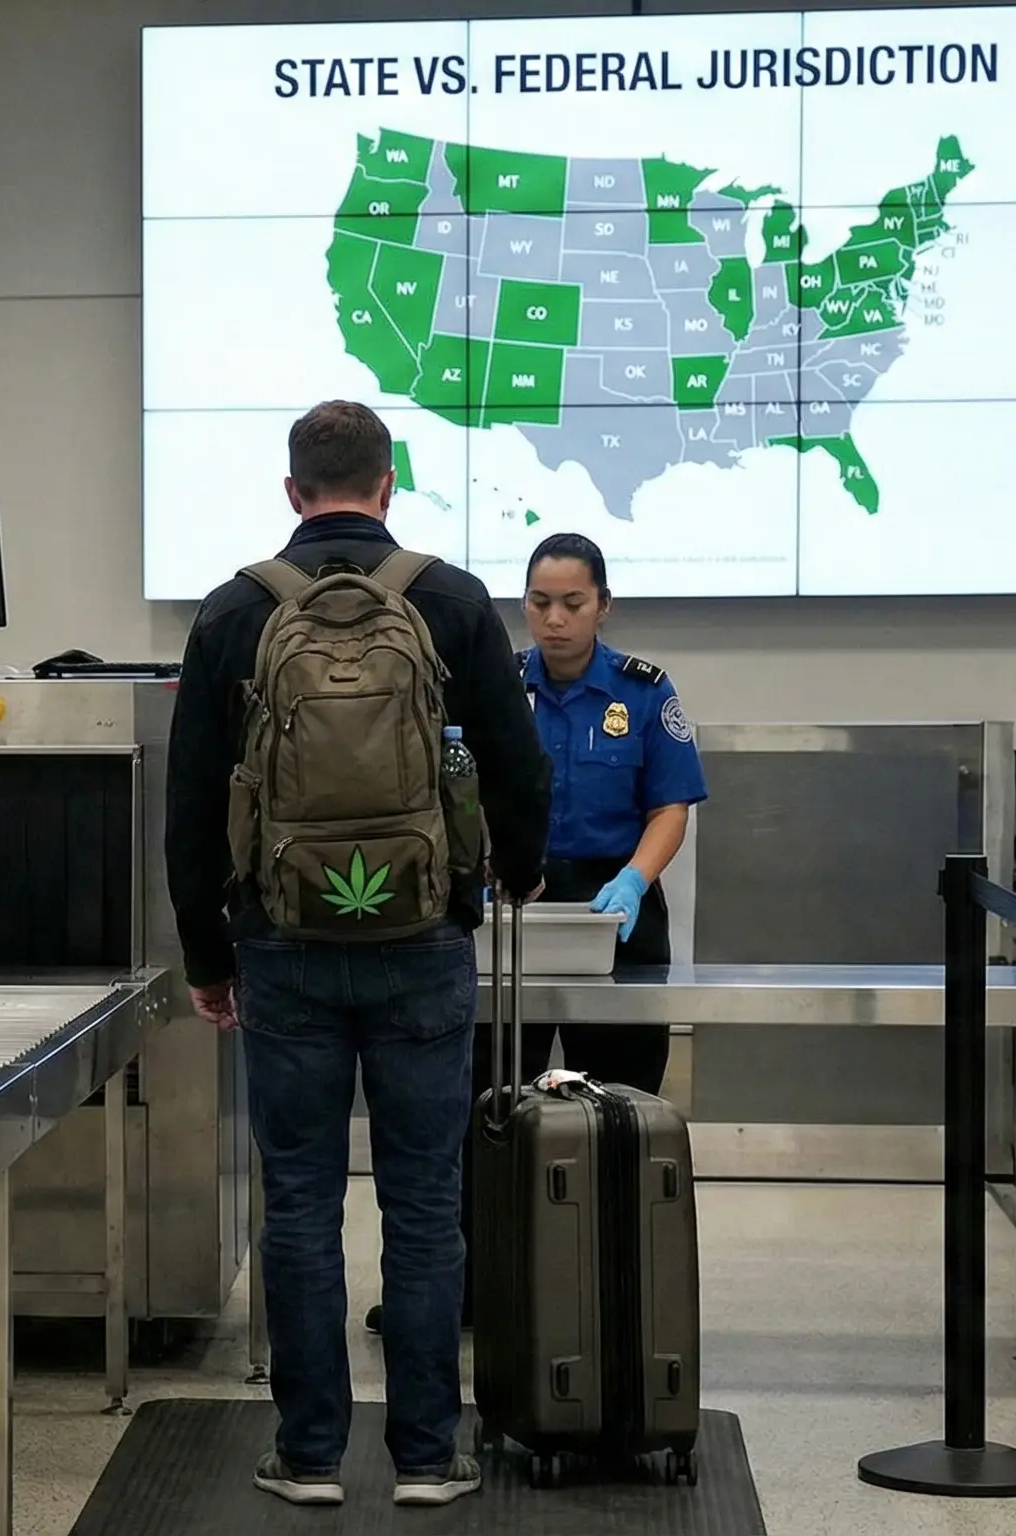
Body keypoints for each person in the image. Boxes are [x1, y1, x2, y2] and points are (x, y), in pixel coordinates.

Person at [166, 400, 551, 1510]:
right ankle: (430, 1455)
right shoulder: (449, 598)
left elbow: (191, 804)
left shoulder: (235, 609)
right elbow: (516, 764)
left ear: (293, 492)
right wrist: (513, 872)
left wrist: (207, 954)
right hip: (423, 937)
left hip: (280, 940)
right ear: (388, 485)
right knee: (425, 1200)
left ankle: (309, 1455)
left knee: (298, 1201)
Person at [516, 531, 708, 1092]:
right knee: (498, 1092)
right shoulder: (501, 687)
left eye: (572, 604)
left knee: (618, 1094)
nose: (555, 619)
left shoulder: (643, 691)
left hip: (617, 907)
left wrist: (633, 881)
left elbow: (671, 808)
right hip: (519, 902)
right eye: (539, 602)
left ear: (603, 605)